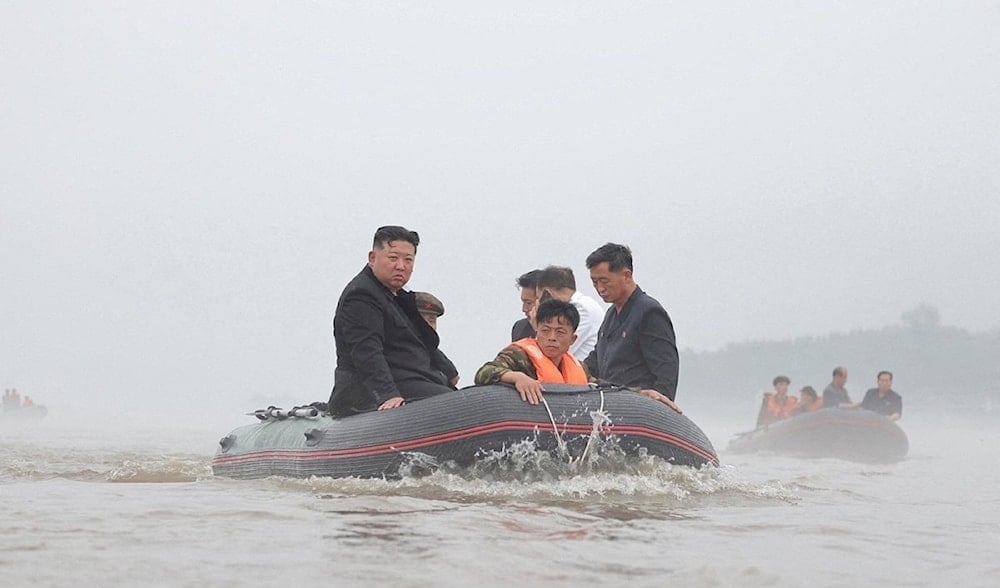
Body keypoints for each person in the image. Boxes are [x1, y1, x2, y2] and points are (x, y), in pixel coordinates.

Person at [327, 226, 458, 416]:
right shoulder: (361, 296)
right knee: (449, 404)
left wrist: (448, 371)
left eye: (408, 260)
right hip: (370, 392)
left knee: (461, 399)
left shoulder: (398, 298)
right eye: (393, 258)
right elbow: (366, 351)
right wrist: (387, 394)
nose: (401, 266)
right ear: (373, 258)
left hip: (415, 379)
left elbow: (421, 340)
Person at [582, 243, 681, 413]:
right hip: (610, 406)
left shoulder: (649, 312)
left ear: (626, 275)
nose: (600, 289)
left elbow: (666, 370)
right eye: (595, 282)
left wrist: (659, 410)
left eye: (604, 281)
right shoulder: (611, 315)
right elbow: (595, 362)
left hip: (637, 408)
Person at [475, 299, 592, 405]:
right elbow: (484, 372)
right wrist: (518, 377)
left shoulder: (580, 367)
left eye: (560, 332)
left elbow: (600, 386)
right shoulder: (518, 354)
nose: (552, 337)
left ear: (573, 339)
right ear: (537, 331)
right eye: (545, 330)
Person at [534, 265, 605, 360]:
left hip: (582, 370)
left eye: (540, 299)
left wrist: (537, 323)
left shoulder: (581, 308)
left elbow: (552, 351)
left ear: (547, 293)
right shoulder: (587, 303)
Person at [413, 290, 460, 386]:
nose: (428, 325)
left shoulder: (433, 353)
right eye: (421, 319)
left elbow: (454, 378)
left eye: (432, 320)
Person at [511, 269, 541, 341]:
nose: (524, 309)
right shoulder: (519, 328)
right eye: (523, 302)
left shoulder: (567, 330)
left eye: (529, 303)